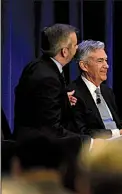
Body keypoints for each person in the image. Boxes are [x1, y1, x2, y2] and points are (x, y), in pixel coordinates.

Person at [14, 24, 99, 156]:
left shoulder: (38, 65)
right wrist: (90, 142)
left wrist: (62, 99)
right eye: (75, 45)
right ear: (64, 51)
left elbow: (38, 106)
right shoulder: (48, 78)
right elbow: (50, 129)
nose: (77, 48)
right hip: (36, 150)